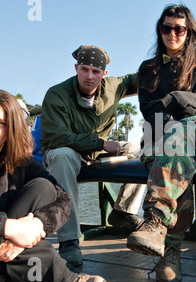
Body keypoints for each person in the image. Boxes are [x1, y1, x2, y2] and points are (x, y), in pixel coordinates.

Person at [0, 89, 106, 282]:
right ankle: (67, 280)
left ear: (11, 127)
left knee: (43, 186)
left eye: (1, 123)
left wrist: (38, 223)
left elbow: (63, 199)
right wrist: (7, 229)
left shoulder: (21, 162)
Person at [126, 5, 196, 282]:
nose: (172, 34)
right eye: (166, 28)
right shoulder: (148, 69)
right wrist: (170, 113)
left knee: (179, 141)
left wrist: (177, 99)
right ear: (160, 30)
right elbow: (148, 110)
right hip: (157, 134)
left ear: (189, 32)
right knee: (178, 159)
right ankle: (171, 254)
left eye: (179, 29)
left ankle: (156, 221)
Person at [40, 45, 146, 268]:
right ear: (76, 68)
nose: (90, 76)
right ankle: (69, 241)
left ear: (104, 74)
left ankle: (123, 211)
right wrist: (101, 143)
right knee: (61, 156)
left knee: (142, 148)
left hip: (97, 151)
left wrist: (167, 59)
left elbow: (135, 79)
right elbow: (58, 138)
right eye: (85, 69)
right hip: (66, 151)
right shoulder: (56, 94)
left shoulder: (113, 86)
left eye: (96, 71)